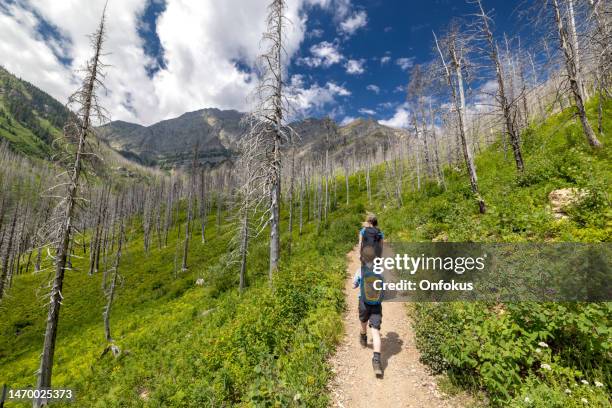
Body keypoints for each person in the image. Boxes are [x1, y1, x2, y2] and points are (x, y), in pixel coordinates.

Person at [353, 245, 384, 377]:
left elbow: (354, 285)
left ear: (363, 258)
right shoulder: (381, 271)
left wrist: (356, 284)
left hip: (364, 302)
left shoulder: (360, 270)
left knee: (363, 320)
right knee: (376, 332)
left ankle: (363, 335)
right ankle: (376, 360)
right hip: (376, 304)